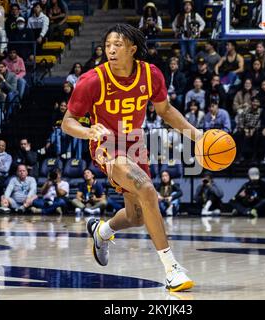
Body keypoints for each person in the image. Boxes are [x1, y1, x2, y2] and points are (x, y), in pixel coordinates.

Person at [62, 23, 203, 292]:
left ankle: (101, 231)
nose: (111, 50)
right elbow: (67, 122)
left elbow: (165, 110)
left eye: (118, 45)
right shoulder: (92, 80)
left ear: (133, 49)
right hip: (106, 145)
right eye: (108, 46)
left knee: (137, 216)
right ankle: (171, 268)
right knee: (147, 188)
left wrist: (198, 136)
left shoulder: (151, 75)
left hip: (135, 145)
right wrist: (87, 130)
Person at [233, 95, 262, 163]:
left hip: (255, 129)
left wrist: (254, 129)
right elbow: (240, 120)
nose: (255, 103)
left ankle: (254, 158)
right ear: (251, 102)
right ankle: (239, 157)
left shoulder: (261, 111)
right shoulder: (246, 110)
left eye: (257, 102)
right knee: (238, 134)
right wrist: (244, 129)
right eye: (253, 102)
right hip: (245, 128)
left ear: (259, 103)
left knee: (258, 135)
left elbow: (260, 122)